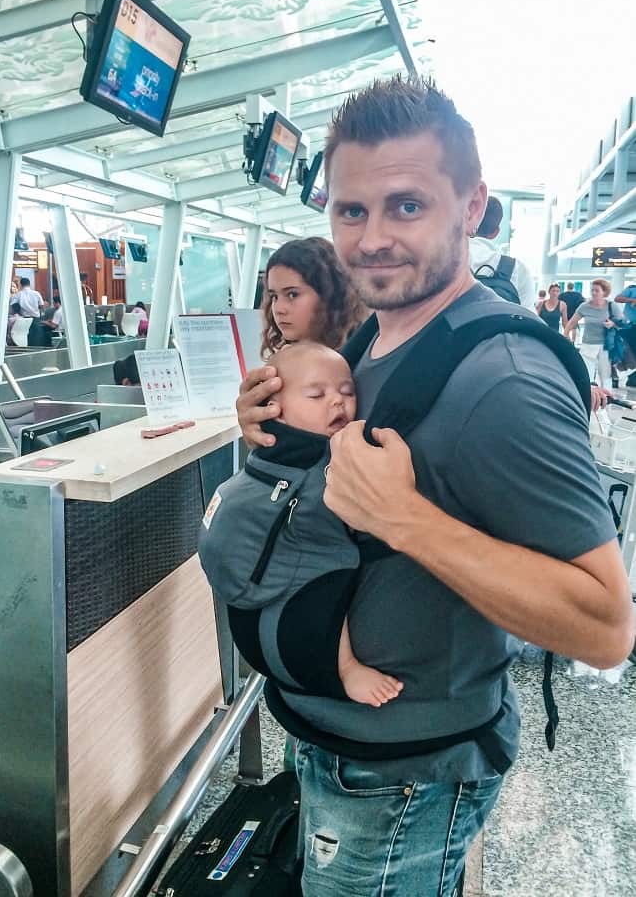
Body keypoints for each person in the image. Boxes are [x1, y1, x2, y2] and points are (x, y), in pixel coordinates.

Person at [236, 76, 633, 896]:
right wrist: (278, 436)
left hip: (403, 780)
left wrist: (408, 520)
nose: (374, 238)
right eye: (352, 211)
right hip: (347, 748)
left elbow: (605, 627)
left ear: (472, 204)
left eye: (407, 206)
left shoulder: (506, 378)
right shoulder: (378, 340)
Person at [202, 341, 404, 707]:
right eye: (316, 395)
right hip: (303, 573)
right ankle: (346, 667)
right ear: (275, 410)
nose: (338, 402)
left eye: (347, 392)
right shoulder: (324, 458)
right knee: (332, 575)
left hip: (252, 599)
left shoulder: (274, 446)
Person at [261, 237, 367, 358]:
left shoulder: (359, 359)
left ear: (328, 294)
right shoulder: (288, 357)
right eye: (274, 296)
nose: (279, 309)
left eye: (292, 295)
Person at [468, 195, 536, 307]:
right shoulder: (517, 269)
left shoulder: (447, 263)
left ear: (467, 220)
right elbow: (529, 317)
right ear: (496, 232)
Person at [565, 278, 618, 384]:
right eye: (592, 290)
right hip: (587, 345)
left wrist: (612, 323)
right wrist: (565, 334)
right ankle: (588, 397)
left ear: (605, 292)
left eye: (597, 290)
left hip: (605, 346)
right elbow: (572, 322)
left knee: (605, 375)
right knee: (586, 374)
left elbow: (622, 323)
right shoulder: (585, 306)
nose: (593, 293)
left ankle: (606, 396)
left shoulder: (612, 306)